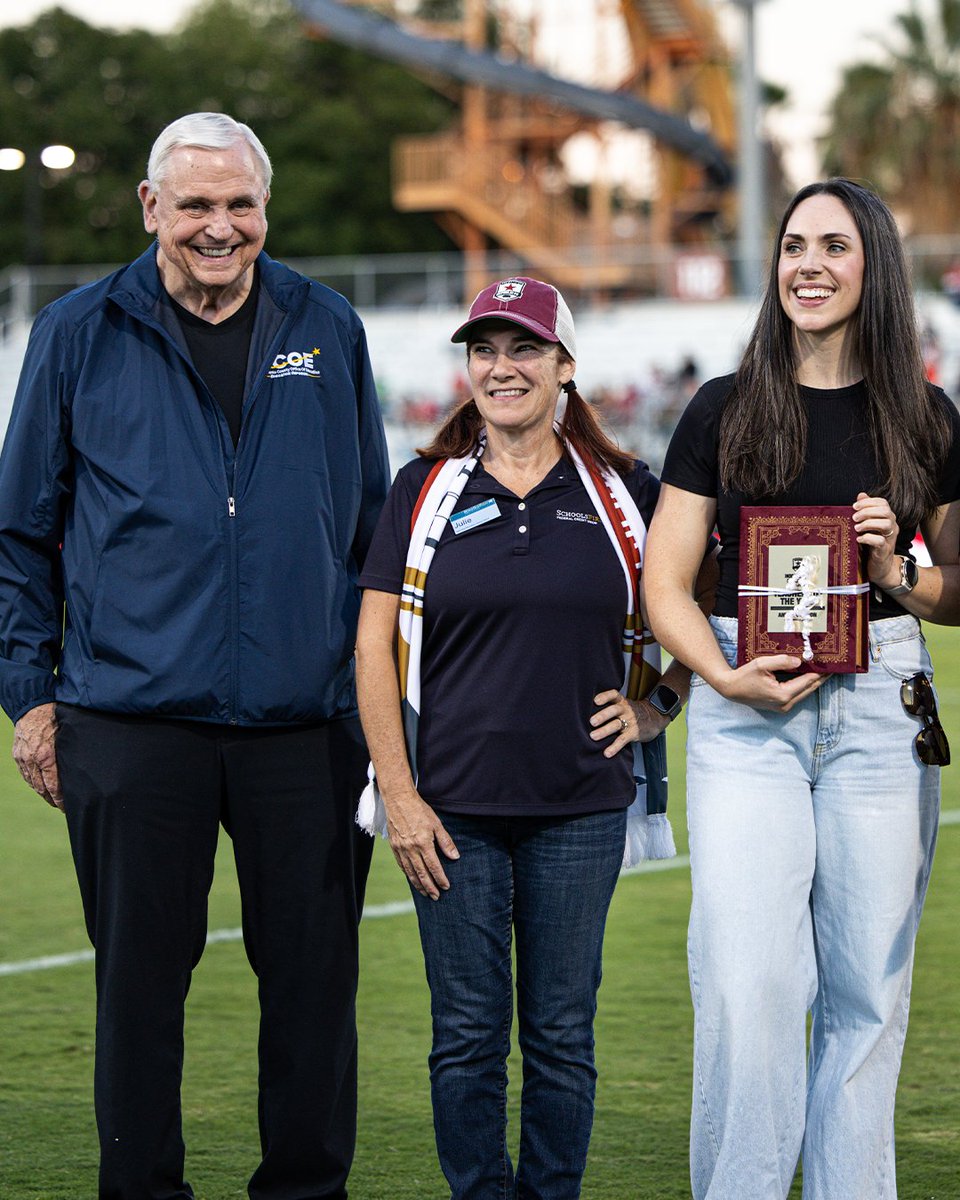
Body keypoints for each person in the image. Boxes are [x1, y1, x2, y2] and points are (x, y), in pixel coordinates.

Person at [0, 112, 390, 1200]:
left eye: (240, 206)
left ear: (264, 208)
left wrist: (375, 711)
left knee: (315, 992)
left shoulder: (330, 325)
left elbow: (370, 535)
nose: (219, 229)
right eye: (196, 207)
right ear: (150, 208)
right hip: (130, 725)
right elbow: (19, 535)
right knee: (137, 991)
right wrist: (34, 701)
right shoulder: (78, 333)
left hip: (307, 731)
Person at [355, 276, 711, 1199]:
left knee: (561, 1033)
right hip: (448, 811)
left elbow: (700, 604)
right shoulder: (423, 486)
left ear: (565, 365)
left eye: (523, 349)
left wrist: (658, 705)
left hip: (580, 808)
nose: (502, 368)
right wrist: (397, 795)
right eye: (484, 350)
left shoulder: (628, 490)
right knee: (467, 1034)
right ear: (468, 368)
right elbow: (369, 650)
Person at [643, 178, 960, 1199]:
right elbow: (664, 581)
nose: (807, 265)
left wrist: (892, 573)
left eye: (832, 245)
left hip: (881, 712)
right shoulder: (722, 406)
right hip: (747, 716)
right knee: (748, 985)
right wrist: (720, 674)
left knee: (868, 993)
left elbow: (953, 591)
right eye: (792, 246)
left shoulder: (928, 415)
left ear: (873, 265)